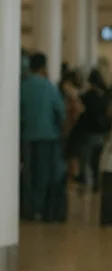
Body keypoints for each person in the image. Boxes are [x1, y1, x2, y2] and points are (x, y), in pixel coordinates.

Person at [19, 53, 66, 222]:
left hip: (28, 137)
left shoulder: (22, 86)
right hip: (48, 137)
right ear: (43, 67)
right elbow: (60, 111)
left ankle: (29, 209)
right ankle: (42, 209)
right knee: (44, 175)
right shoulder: (49, 86)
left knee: (28, 174)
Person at [70, 69, 112, 192]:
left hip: (88, 130)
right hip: (101, 131)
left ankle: (85, 181)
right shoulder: (105, 95)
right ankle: (96, 183)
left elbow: (80, 110)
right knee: (96, 159)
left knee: (85, 158)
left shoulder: (88, 96)